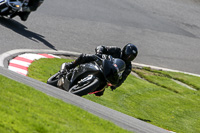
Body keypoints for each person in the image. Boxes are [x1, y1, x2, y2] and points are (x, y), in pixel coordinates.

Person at [62, 43, 138, 96]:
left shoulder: (128, 67)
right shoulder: (116, 50)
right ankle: (70, 65)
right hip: (101, 62)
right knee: (85, 57)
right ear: (124, 50)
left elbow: (122, 79)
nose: (128, 57)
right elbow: (101, 47)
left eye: (131, 57)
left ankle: (82, 87)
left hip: (108, 76)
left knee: (99, 93)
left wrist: (114, 85)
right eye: (128, 54)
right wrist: (99, 52)